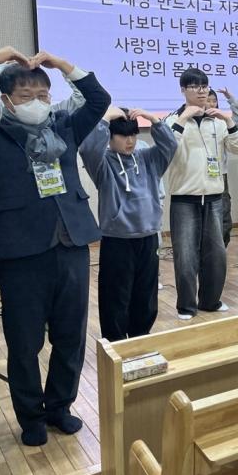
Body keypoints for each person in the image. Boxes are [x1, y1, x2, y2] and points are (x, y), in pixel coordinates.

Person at [0, 47, 111, 447]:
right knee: (24, 343)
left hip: (71, 244)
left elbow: (99, 101)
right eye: (26, 96)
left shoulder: (65, 129)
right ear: (7, 101)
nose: (37, 102)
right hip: (22, 253)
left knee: (71, 336)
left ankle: (60, 406)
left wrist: (64, 66)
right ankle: (31, 416)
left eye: (43, 95)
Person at [79, 106, 177, 341]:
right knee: (115, 295)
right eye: (123, 135)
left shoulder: (148, 158)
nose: (130, 141)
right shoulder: (103, 164)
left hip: (148, 236)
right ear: (110, 137)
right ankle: (115, 342)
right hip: (117, 239)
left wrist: (154, 120)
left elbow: (170, 145)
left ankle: (140, 338)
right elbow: (87, 149)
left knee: (146, 294)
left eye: (133, 134)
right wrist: (105, 118)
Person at [164, 68, 238, 318]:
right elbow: (166, 149)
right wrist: (183, 118)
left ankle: (211, 301)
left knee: (216, 254)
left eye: (204, 86)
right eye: (194, 86)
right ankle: (186, 306)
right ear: (183, 90)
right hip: (184, 198)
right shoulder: (172, 120)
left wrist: (228, 121)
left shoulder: (217, 121)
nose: (201, 91)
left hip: (214, 197)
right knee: (185, 255)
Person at [205, 87, 238, 246]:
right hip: (200, 175)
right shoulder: (192, 122)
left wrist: (230, 98)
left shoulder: (222, 122)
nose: (212, 104)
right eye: (208, 100)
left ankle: (222, 246)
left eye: (214, 101)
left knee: (224, 212)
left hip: (220, 173)